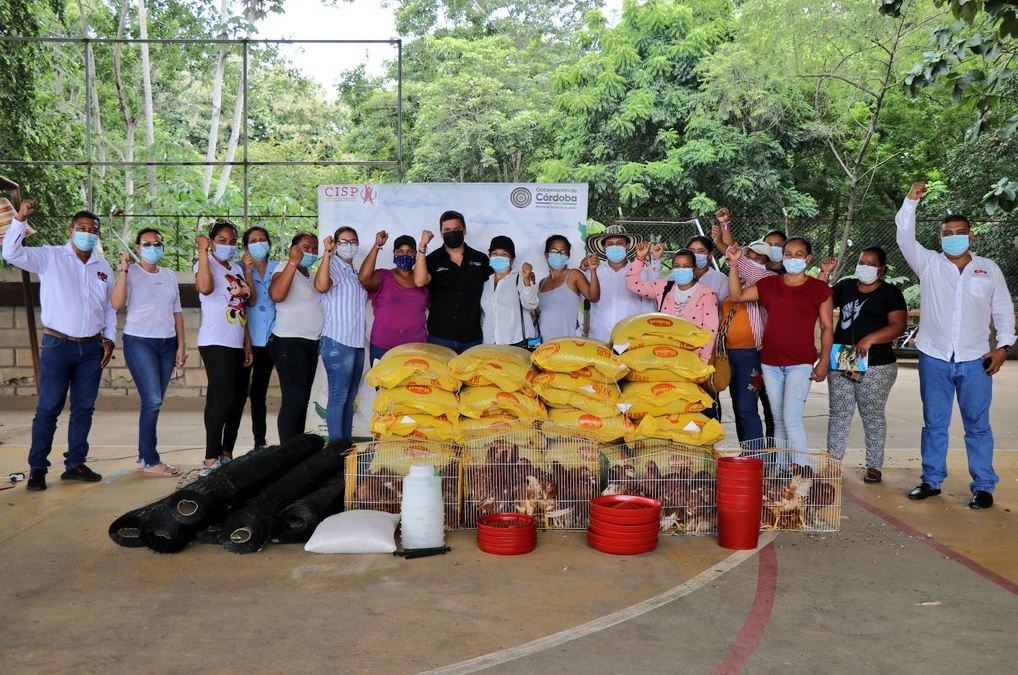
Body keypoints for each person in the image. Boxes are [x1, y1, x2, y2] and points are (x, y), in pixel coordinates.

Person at [896, 181, 1015, 509]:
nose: (954, 237)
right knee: (934, 424)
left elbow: (1003, 310)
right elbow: (903, 237)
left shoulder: (988, 269)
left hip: (976, 360)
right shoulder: (928, 264)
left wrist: (1003, 347)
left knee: (978, 425)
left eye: (960, 232)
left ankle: (984, 485)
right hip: (934, 357)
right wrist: (911, 202)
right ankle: (931, 480)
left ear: (971, 236)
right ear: (939, 239)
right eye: (947, 233)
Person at [2, 200, 116, 491]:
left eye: (93, 230)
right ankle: (38, 467)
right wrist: (20, 219)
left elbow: (109, 308)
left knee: (83, 409)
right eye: (82, 228)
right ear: (71, 230)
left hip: (91, 349)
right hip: (57, 345)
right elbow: (11, 253)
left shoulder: (103, 267)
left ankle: (75, 463)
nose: (87, 233)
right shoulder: (50, 256)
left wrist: (110, 338)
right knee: (49, 408)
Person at [726, 237, 834, 459]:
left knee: (791, 419)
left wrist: (824, 360)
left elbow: (827, 327)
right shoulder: (769, 284)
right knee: (778, 419)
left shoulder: (819, 288)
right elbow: (737, 296)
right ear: (782, 258)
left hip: (801, 362)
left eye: (799, 254)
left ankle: (800, 468)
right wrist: (734, 265)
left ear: (808, 258)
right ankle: (784, 471)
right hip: (770, 362)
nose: (793, 258)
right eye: (788, 254)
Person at [824, 247, 907, 483]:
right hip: (843, 357)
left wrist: (871, 339)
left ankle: (874, 465)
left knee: (872, 415)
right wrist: (825, 274)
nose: (865, 267)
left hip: (877, 364)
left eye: (871, 264)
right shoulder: (846, 287)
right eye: (862, 262)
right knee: (839, 413)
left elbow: (898, 325)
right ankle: (833, 463)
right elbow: (821, 301)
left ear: (882, 269)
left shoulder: (890, 293)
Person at [111, 228, 186, 476]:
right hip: (139, 342)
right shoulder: (130, 273)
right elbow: (117, 303)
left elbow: (177, 312)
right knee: (153, 400)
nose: (153, 248)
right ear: (138, 247)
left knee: (154, 401)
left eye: (157, 244)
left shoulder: (169, 275)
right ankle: (151, 460)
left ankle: (144, 455)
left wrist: (181, 345)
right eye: (147, 244)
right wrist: (123, 269)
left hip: (167, 343)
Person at [194, 220, 253, 475]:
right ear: (211, 241)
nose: (228, 245)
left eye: (232, 242)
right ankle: (210, 459)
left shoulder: (236, 268)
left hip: (236, 341)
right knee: (223, 398)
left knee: (236, 398)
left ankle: (226, 452)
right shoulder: (205, 263)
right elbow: (205, 288)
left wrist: (247, 344)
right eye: (222, 241)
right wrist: (202, 251)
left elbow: (244, 307)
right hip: (215, 341)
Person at [268, 232, 323, 443]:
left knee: (303, 401)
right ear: (294, 248)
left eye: (314, 248)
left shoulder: (311, 274)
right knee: (294, 400)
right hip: (289, 342)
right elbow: (277, 295)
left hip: (311, 343)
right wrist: (292, 262)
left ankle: (296, 447)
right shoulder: (284, 267)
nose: (310, 252)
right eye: (305, 247)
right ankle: (286, 451)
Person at [626, 243, 719, 362]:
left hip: (691, 359)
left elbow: (710, 332)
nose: (681, 269)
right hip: (663, 356)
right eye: (677, 266)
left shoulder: (707, 295)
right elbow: (632, 285)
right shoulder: (663, 288)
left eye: (686, 266)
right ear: (672, 268)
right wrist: (640, 259)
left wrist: (702, 362)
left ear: (694, 268)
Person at [315, 226, 367, 440]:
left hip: (356, 342)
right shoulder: (332, 265)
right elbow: (321, 286)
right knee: (339, 397)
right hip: (338, 340)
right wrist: (327, 254)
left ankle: (344, 446)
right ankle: (336, 450)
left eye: (353, 241)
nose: (349, 246)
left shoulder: (354, 271)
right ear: (335, 244)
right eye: (344, 242)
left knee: (349, 397)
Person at [413, 210, 491, 354]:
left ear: (464, 230)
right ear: (441, 233)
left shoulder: (481, 259)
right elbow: (419, 281)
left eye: (456, 229)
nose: (452, 233)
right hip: (439, 337)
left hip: (472, 337)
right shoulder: (432, 259)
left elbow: (494, 291)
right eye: (447, 230)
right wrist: (422, 247)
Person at [359, 231, 429, 363]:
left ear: (416, 254)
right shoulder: (383, 276)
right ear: (394, 254)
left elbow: (421, 283)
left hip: (416, 348)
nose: (405, 255)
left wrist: (422, 248)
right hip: (382, 347)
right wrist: (377, 246)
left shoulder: (423, 278)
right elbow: (364, 278)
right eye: (400, 252)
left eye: (409, 252)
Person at [584, 225, 658, 342]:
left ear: (627, 245)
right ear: (604, 247)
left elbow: (649, 305)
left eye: (619, 243)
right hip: (600, 335)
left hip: (631, 337)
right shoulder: (593, 272)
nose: (615, 246)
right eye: (610, 244)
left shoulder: (640, 272)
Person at [240, 226, 278, 451]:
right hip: (248, 341)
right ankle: (258, 442)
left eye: (262, 239)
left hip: (273, 339)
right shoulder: (238, 270)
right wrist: (247, 271)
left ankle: (264, 441)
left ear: (269, 243)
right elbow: (250, 301)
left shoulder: (278, 268)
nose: (258, 244)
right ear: (246, 247)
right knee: (248, 394)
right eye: (253, 241)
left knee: (261, 391)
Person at [538, 235, 600, 340]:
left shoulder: (573, 275)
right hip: (546, 343)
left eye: (563, 252)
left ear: (568, 256)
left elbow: (594, 297)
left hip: (570, 341)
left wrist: (593, 271)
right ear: (546, 255)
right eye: (554, 251)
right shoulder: (542, 283)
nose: (559, 255)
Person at [480, 235, 539, 346]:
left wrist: (527, 281)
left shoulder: (521, 278)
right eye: (495, 253)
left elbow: (532, 304)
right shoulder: (486, 283)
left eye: (504, 254)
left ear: (512, 259)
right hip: (491, 345)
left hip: (518, 343)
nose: (498, 257)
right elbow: (484, 316)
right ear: (489, 256)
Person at [686, 234, 729, 302]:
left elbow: (726, 305)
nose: (695, 254)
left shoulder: (720, 280)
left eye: (701, 251)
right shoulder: (677, 276)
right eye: (692, 251)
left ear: (710, 255)